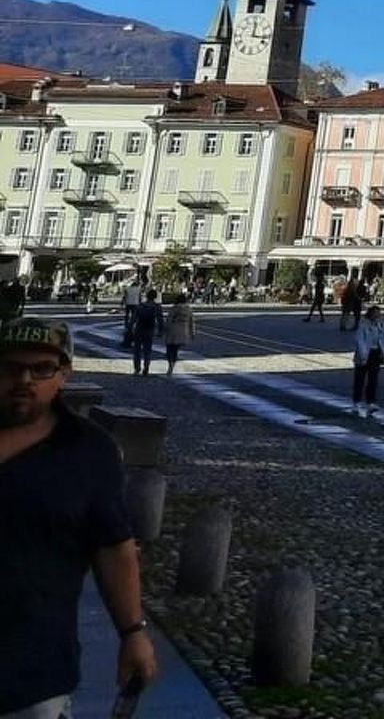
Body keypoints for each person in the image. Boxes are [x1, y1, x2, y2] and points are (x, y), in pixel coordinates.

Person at [0, 317, 159, 715]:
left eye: (42, 368)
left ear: (63, 374)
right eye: (11, 367)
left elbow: (113, 548)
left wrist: (132, 633)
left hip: (34, 670)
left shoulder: (89, 451)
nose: (25, 379)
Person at [352, 304, 384, 417]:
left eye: (379, 313)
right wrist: (363, 353)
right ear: (370, 314)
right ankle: (357, 402)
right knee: (359, 379)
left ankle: (371, 402)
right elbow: (359, 340)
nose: (377, 315)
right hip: (364, 353)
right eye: (375, 313)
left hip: (375, 354)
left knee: (373, 379)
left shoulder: (381, 325)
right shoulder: (363, 325)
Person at [130, 288, 164, 377]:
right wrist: (161, 330)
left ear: (147, 296)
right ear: (155, 297)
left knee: (137, 350)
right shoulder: (157, 307)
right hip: (149, 330)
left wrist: (130, 328)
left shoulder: (140, 306)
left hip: (139, 329)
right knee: (147, 350)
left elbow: (133, 318)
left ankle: (137, 369)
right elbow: (160, 320)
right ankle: (146, 368)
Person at [162, 292, 195, 375]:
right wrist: (192, 333)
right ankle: (172, 365)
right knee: (175, 350)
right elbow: (192, 322)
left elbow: (169, 320)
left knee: (169, 349)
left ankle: (170, 365)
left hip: (173, 331)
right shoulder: (189, 309)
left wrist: (164, 329)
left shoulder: (174, 308)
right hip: (183, 332)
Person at [119, 278, 143, 348]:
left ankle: (127, 324)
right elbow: (140, 297)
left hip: (128, 303)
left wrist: (122, 302)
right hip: (135, 303)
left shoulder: (127, 288)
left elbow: (125, 296)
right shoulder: (139, 289)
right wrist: (140, 303)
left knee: (127, 314)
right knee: (134, 315)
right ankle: (133, 324)